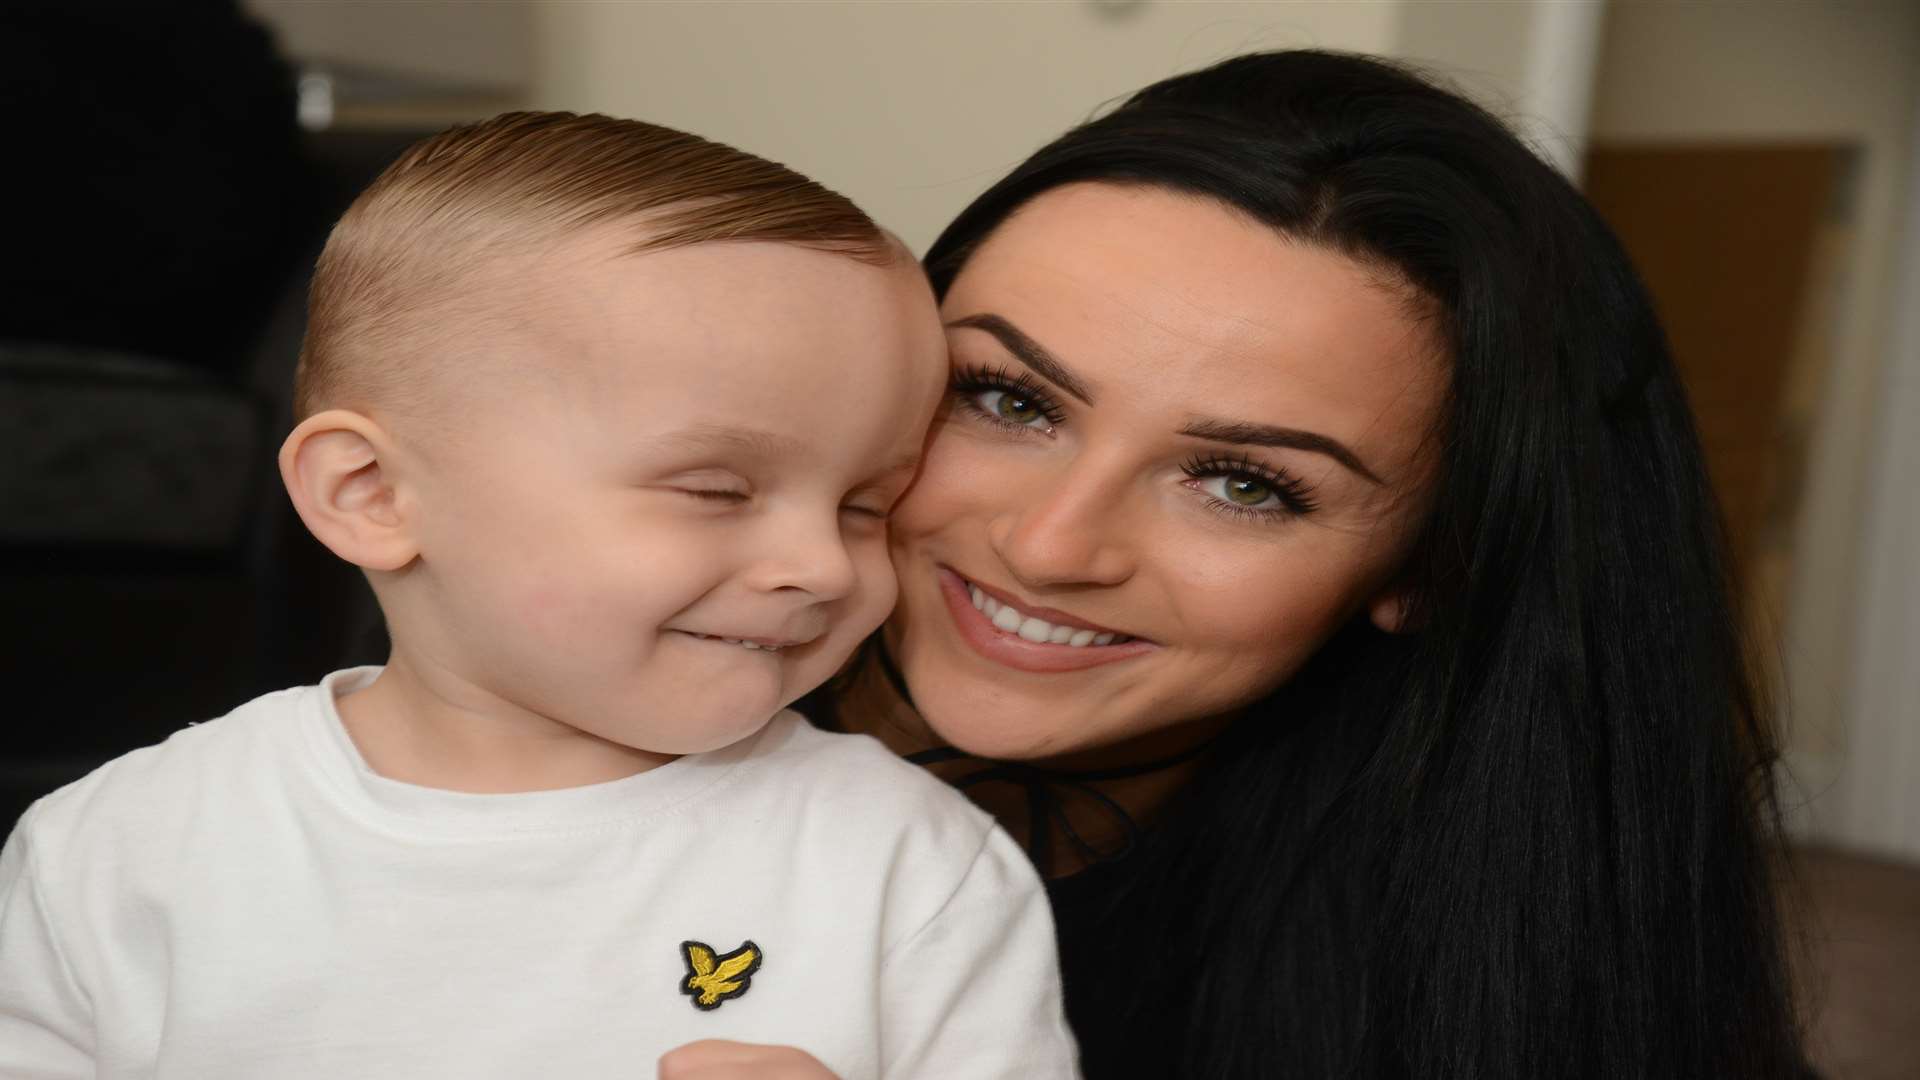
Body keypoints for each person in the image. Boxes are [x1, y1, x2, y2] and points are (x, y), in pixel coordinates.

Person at [0, 113, 1078, 1080]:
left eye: (864, 505)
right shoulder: (127, 850)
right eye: (717, 488)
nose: (827, 566)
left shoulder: (910, 870)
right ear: (372, 494)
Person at [804, 50, 1812, 1078]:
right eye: (1010, 400)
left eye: (1245, 484)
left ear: (1430, 566)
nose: (1050, 545)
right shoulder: (641, 724)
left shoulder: (1489, 986)